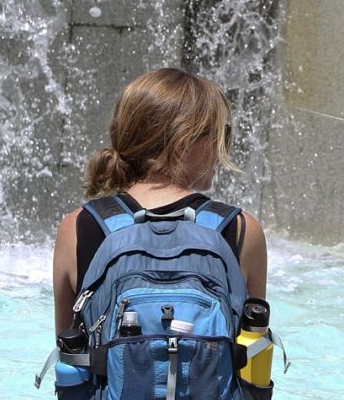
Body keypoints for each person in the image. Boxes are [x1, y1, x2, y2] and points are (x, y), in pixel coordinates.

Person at [53, 67, 267, 329]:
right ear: (183, 143)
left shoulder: (77, 228)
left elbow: (69, 354)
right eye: (221, 135)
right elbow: (255, 352)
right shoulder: (242, 230)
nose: (223, 148)